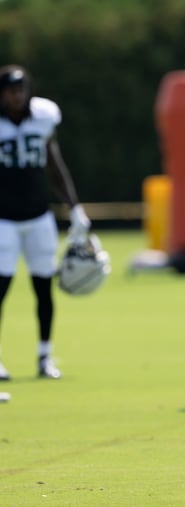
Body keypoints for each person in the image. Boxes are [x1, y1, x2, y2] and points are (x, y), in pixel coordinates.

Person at [0, 64, 91, 381]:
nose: (17, 96)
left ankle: (44, 356)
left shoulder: (44, 117)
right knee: (1, 287)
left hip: (39, 216)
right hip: (3, 219)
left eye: (21, 89)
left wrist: (74, 207)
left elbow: (55, 164)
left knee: (43, 288)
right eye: (11, 90)